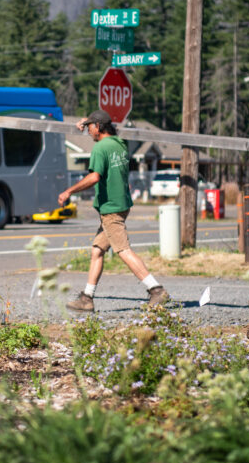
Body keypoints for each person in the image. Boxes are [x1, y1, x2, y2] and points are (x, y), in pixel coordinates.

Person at [57, 109, 168, 312]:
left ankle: (156, 290)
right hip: (122, 204)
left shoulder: (100, 149)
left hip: (111, 209)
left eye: (90, 127)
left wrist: (69, 191)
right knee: (97, 251)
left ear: (98, 127)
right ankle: (87, 298)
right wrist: (87, 122)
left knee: (123, 250)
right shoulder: (120, 144)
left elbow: (94, 177)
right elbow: (105, 130)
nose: (89, 132)